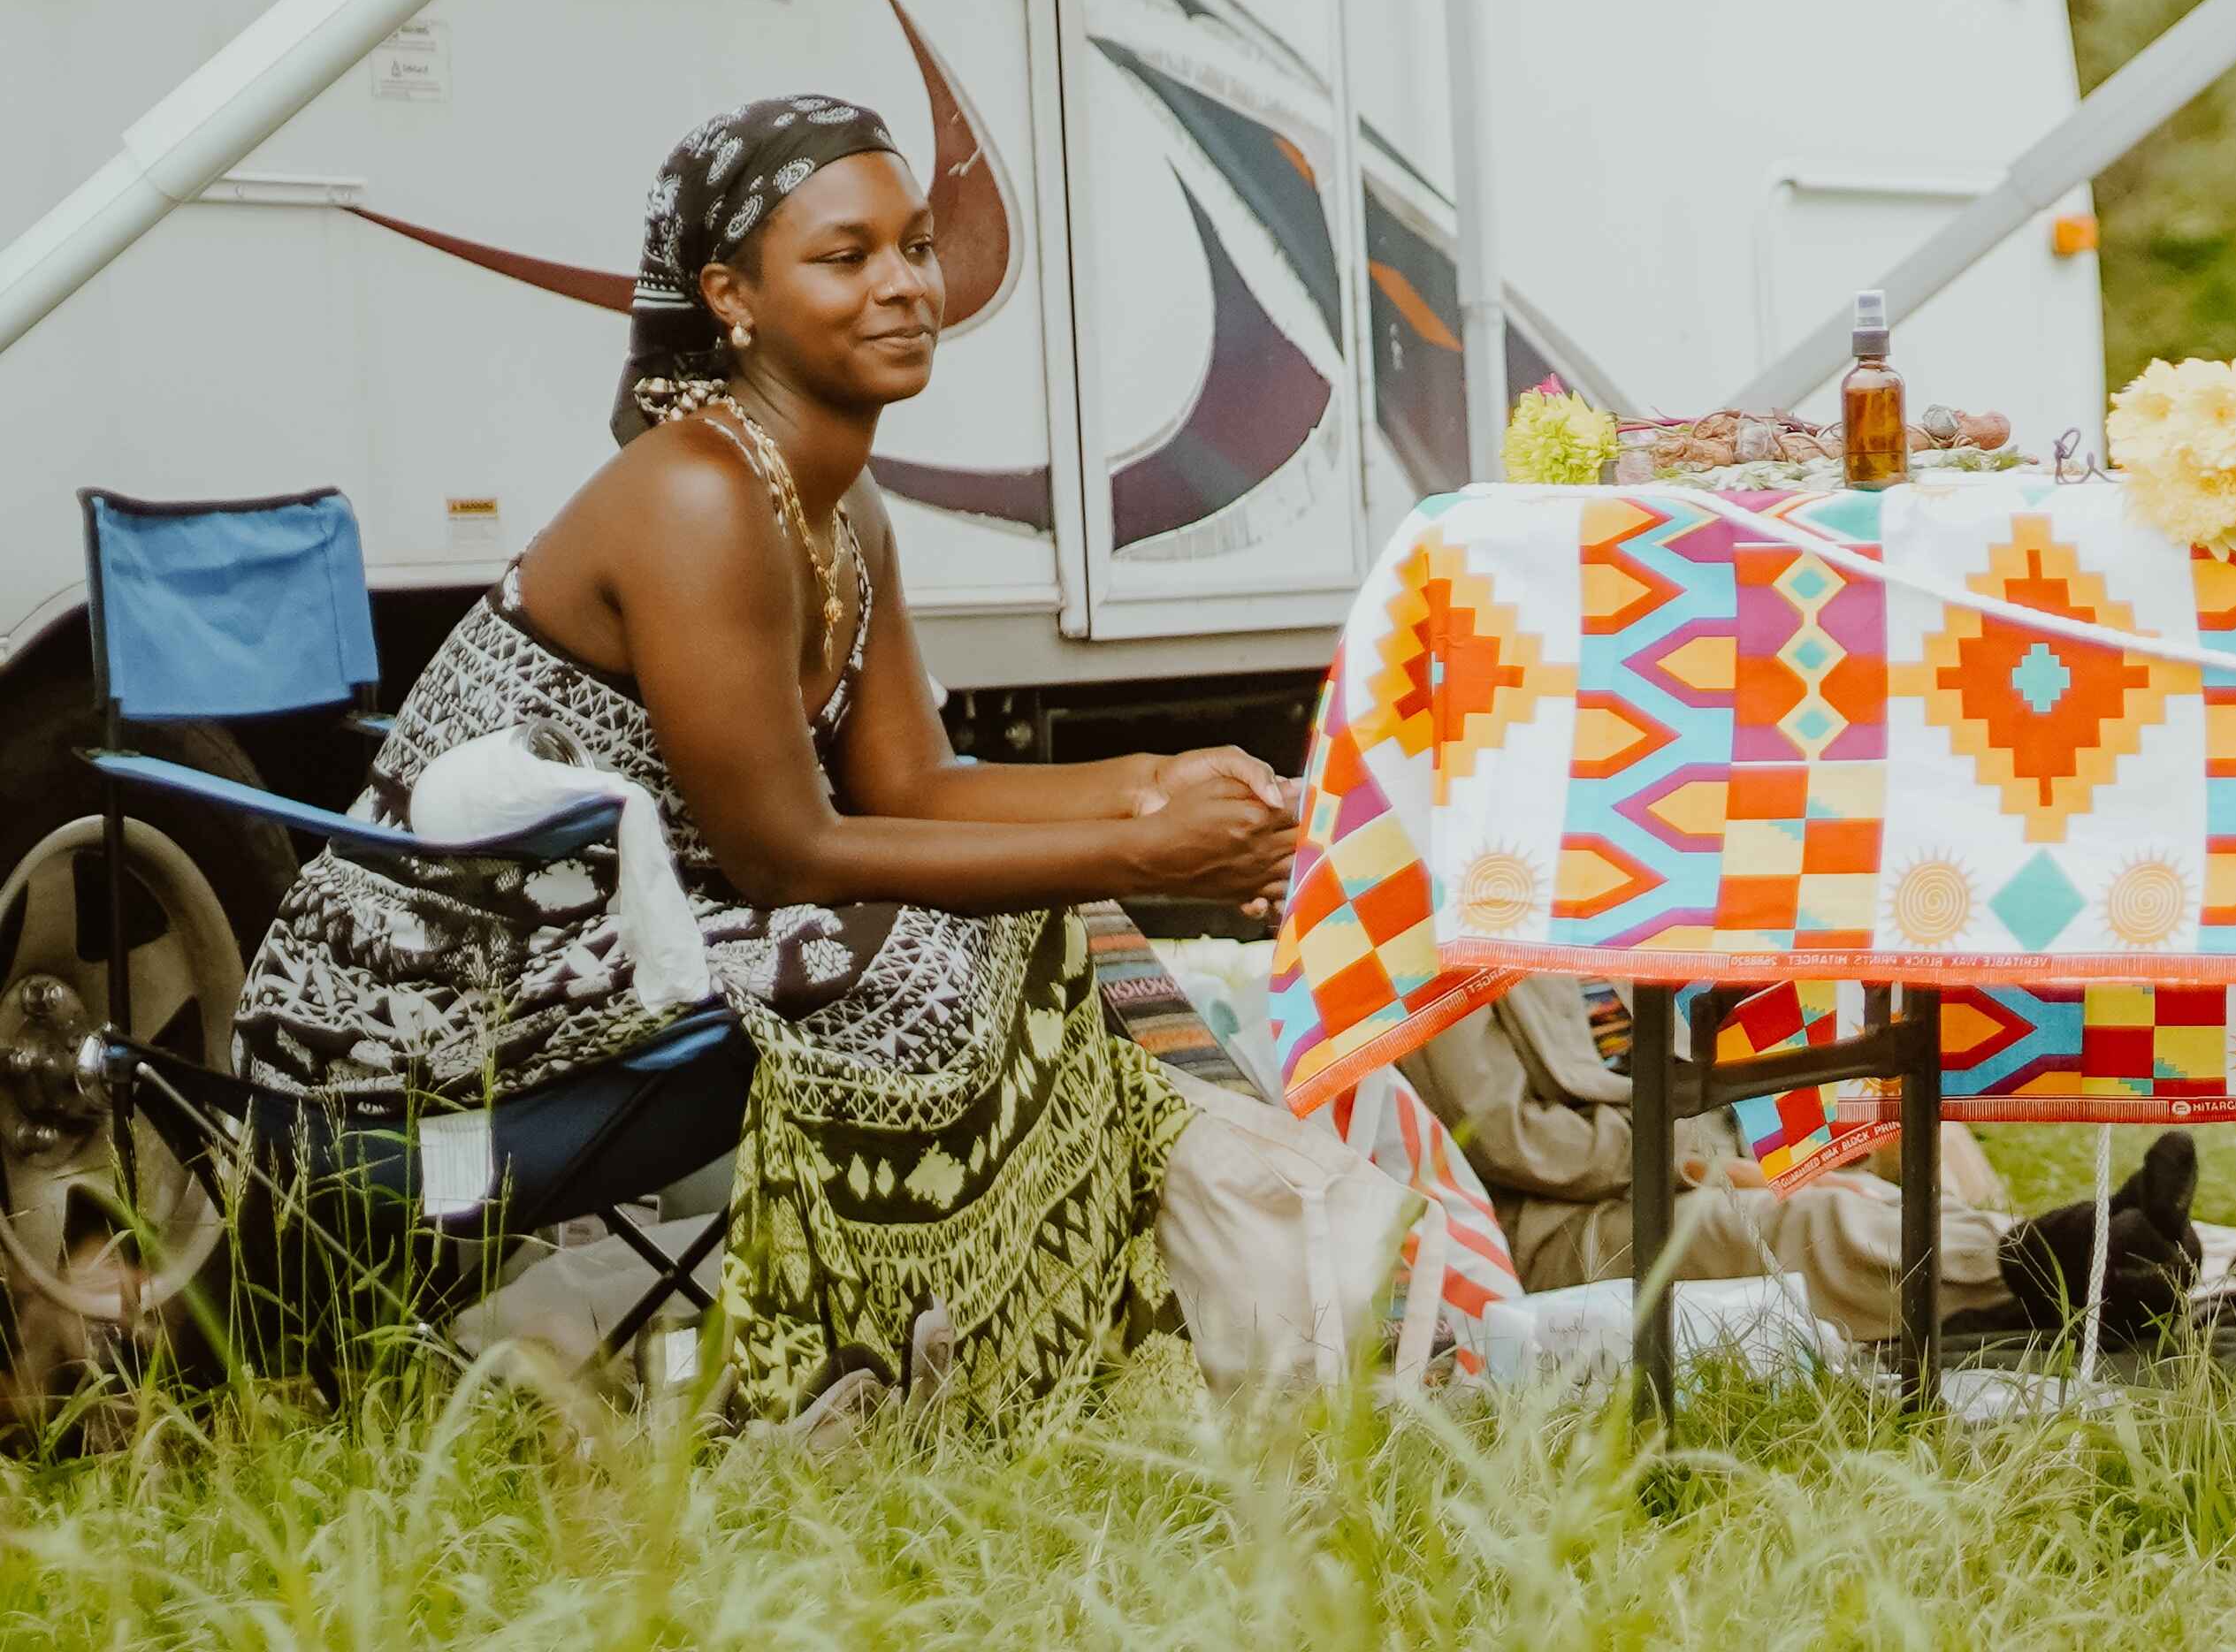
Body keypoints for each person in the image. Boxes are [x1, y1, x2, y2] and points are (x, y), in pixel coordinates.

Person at [233, 93, 1295, 1435]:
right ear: (731, 296)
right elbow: (789, 858)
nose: (907, 284)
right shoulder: (698, 495)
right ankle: (860, 1391)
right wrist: (1145, 847)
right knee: (920, 953)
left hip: (632, 951)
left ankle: (1071, 1365)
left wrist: (1174, 783)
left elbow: (918, 791)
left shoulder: (835, 503)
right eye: (847, 258)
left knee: (1041, 917)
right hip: (425, 1027)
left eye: (914, 246)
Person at [1398, 977, 2011, 1344]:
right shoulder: (1442, 935)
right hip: (1555, 1224)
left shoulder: (1619, 903)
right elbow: (1512, 1138)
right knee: (1813, 1225)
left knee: (1879, 1196)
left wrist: (1768, 1156)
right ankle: (2052, 1259)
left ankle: (2063, 1252)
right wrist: (1710, 1166)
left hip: (1678, 1166)